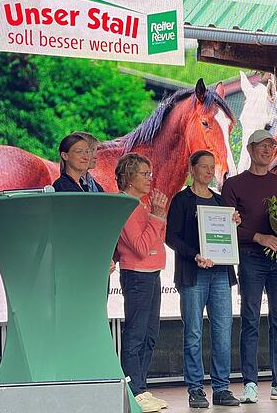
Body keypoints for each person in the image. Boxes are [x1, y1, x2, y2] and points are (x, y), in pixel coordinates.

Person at [222, 129, 277, 403]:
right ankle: (250, 383)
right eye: (262, 145)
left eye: (271, 146)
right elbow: (226, 227)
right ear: (249, 149)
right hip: (251, 258)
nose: (267, 150)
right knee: (250, 321)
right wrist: (259, 237)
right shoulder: (233, 184)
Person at [166, 150, 241, 408]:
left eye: (213, 168)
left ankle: (221, 388)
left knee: (223, 332)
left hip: (220, 273)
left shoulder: (222, 204)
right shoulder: (181, 200)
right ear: (192, 169)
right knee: (194, 333)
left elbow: (229, 239)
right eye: (205, 167)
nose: (209, 172)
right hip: (193, 274)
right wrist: (194, 255)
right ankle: (196, 389)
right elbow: (171, 237)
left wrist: (234, 224)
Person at [114, 153, 169, 413]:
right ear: (128, 177)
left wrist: (157, 216)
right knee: (136, 333)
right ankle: (134, 388)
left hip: (152, 273)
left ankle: (142, 387)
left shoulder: (142, 205)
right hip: (137, 274)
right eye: (144, 174)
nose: (150, 179)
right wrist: (157, 216)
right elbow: (140, 247)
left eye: (150, 173)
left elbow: (157, 239)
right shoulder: (125, 205)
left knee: (150, 334)